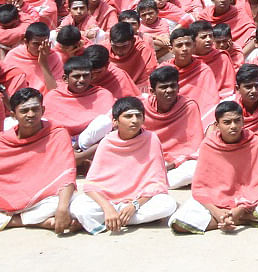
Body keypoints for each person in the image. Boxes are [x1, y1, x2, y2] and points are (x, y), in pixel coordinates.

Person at [168, 100, 258, 233]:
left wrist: (240, 208)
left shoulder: (255, 143)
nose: (233, 126)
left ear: (243, 122)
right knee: (177, 222)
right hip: (216, 201)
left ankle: (232, 219)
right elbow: (200, 188)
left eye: (237, 121)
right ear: (217, 125)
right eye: (227, 122)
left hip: (249, 202)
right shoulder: (208, 145)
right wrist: (217, 212)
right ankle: (241, 220)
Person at [69, 96, 177, 233]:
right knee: (77, 206)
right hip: (109, 200)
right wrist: (107, 208)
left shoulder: (151, 139)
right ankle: (118, 218)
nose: (134, 120)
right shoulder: (107, 142)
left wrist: (134, 205)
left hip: (138, 201)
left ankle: (111, 220)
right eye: (128, 116)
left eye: (138, 116)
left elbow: (157, 183)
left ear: (144, 119)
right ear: (115, 121)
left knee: (167, 204)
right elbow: (91, 185)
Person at [0, 88, 79, 232]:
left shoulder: (57, 134)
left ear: (42, 110)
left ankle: (17, 220)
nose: (31, 114)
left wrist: (61, 208)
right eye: (24, 111)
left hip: (46, 198)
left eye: (35, 109)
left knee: (74, 205)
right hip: (11, 197)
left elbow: (67, 173)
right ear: (13, 115)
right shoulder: (4, 141)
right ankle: (34, 222)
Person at [143, 65, 204, 189]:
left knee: (194, 170)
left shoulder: (188, 106)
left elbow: (194, 146)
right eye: (163, 87)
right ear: (152, 91)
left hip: (177, 161)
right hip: (151, 159)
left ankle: (150, 184)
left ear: (178, 87)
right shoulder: (143, 107)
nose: (169, 90)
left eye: (173, 86)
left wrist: (172, 164)